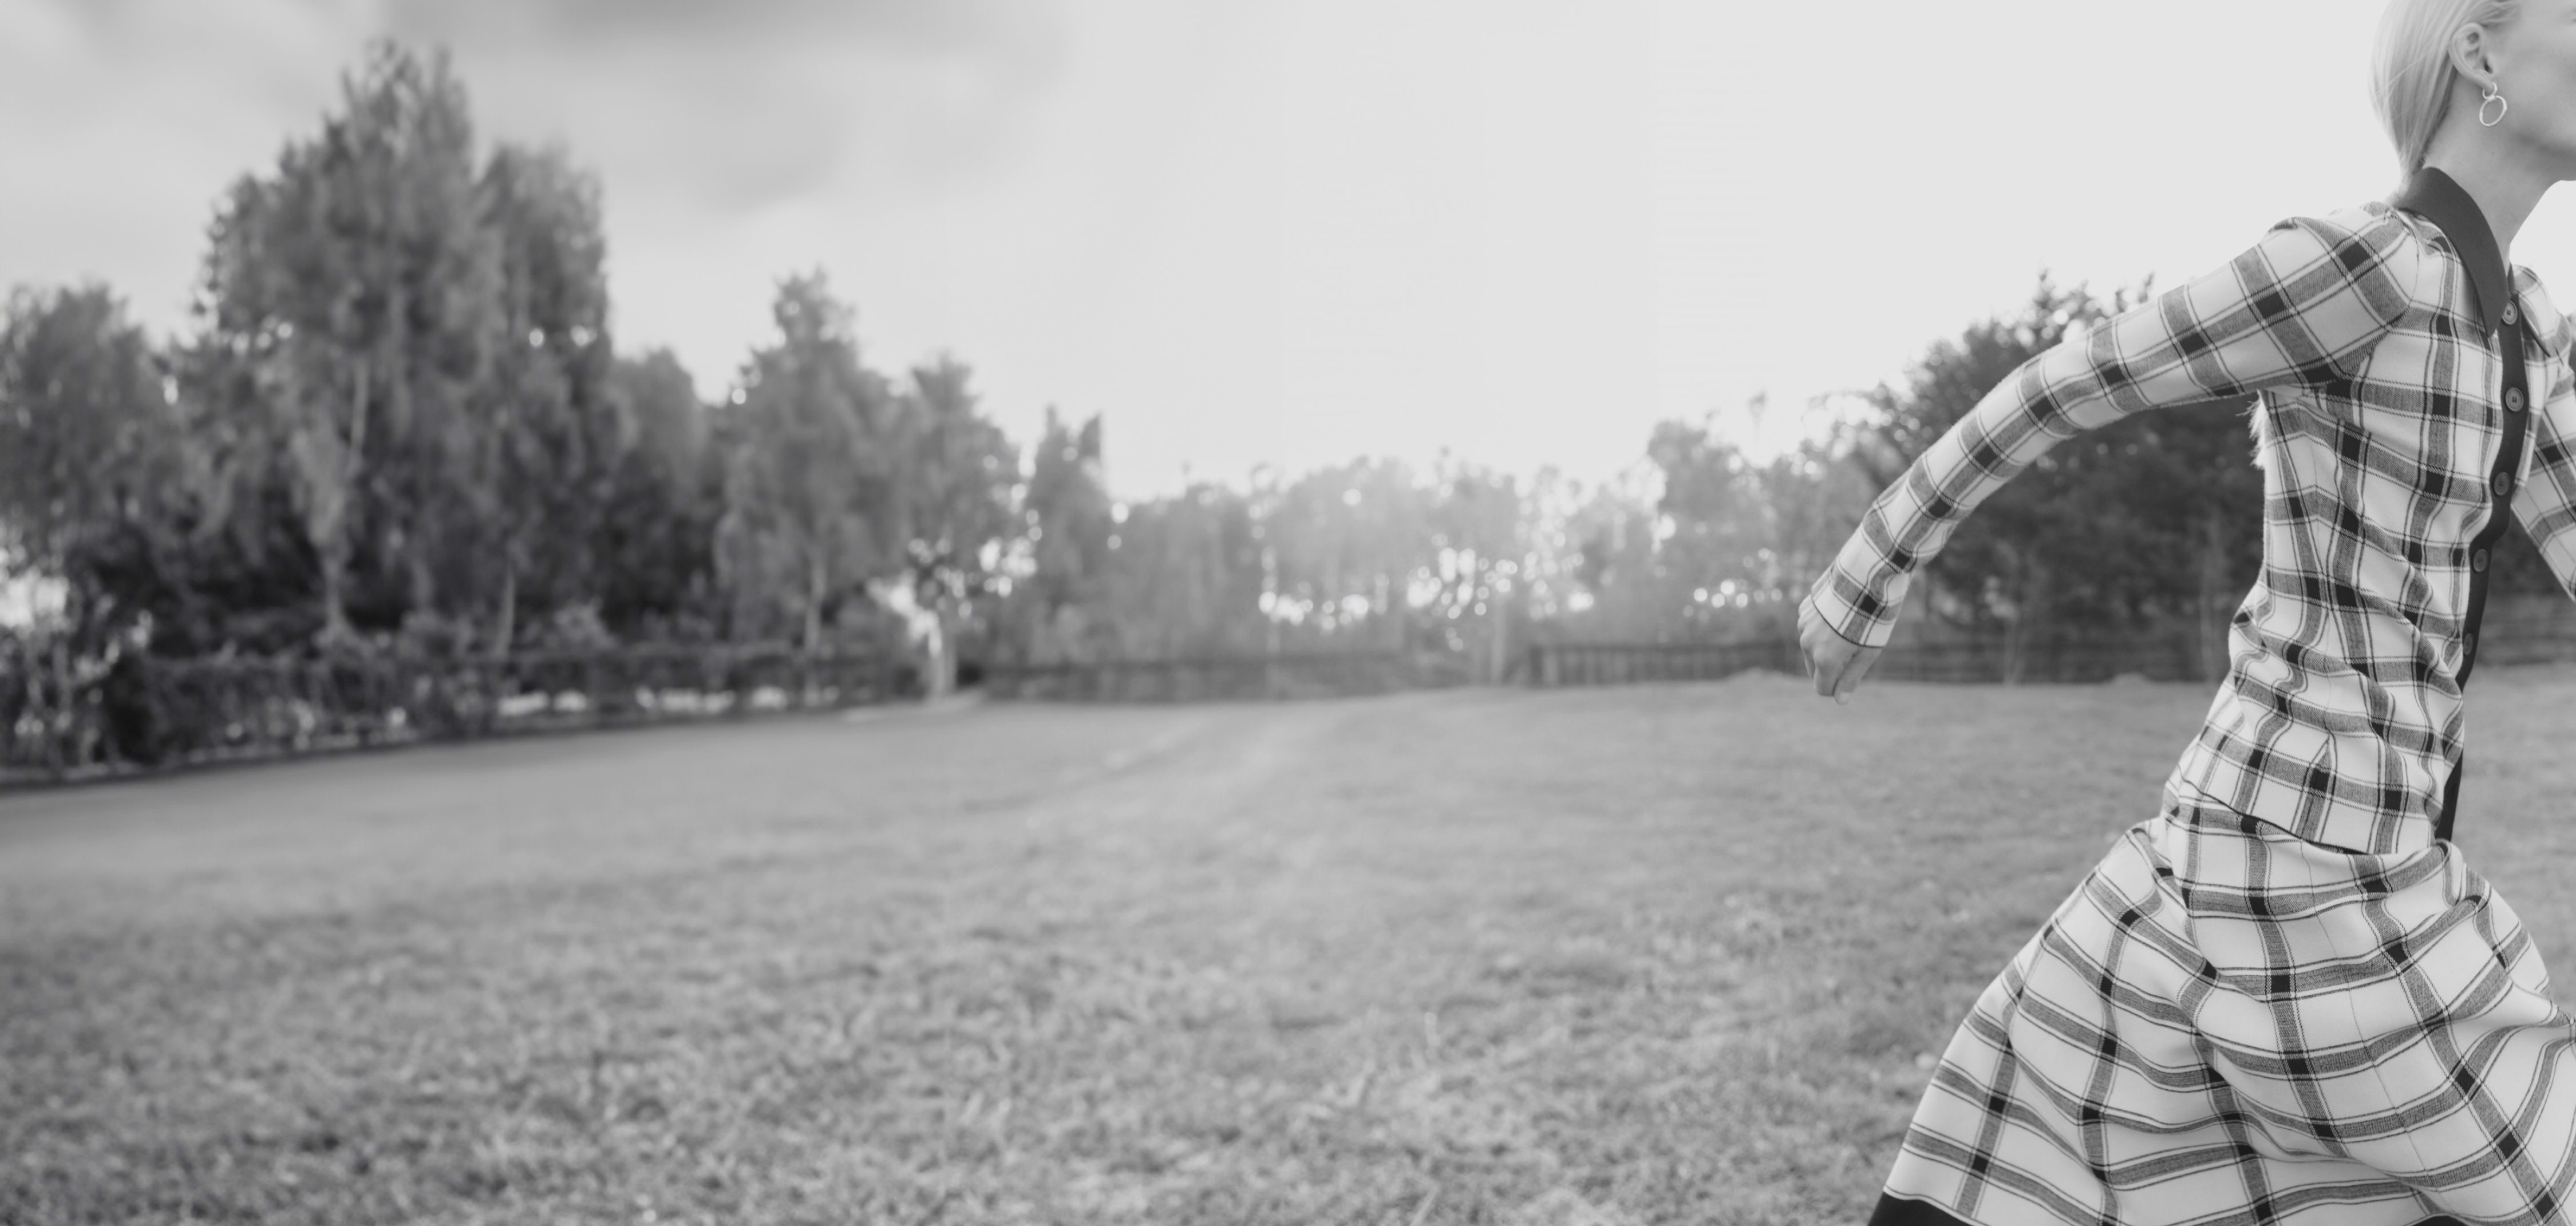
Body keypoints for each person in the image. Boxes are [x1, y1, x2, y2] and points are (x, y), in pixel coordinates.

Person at [1798, 2, 2576, 1223]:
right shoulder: (2363, 267)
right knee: (2531, 1170)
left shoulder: (2524, 333)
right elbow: (2077, 378)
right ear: (2480, 52)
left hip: (2375, 856)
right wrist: (1872, 567)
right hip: (2285, 871)